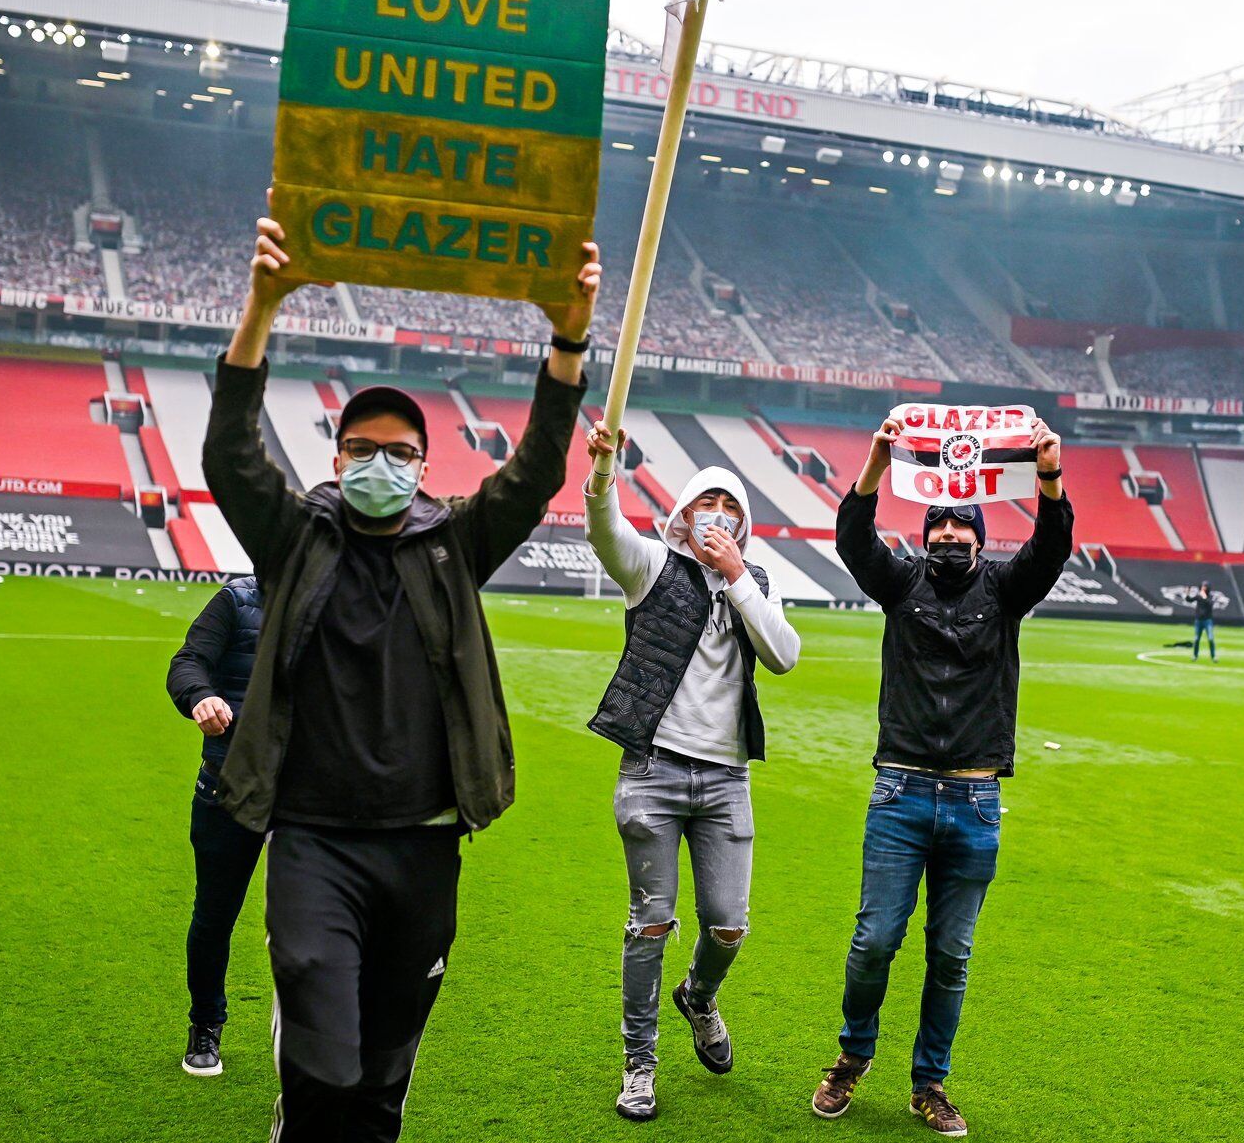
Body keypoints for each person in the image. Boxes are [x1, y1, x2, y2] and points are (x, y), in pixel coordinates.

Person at [203, 192, 600, 1141]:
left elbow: (538, 467)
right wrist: (262, 306)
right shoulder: (296, 535)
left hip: (424, 845)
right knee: (325, 1058)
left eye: (400, 451)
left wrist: (568, 342)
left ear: (425, 465)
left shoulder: (455, 544)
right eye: (362, 447)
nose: (380, 461)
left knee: (383, 1072)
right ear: (336, 456)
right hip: (312, 840)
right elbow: (228, 453)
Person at [812, 413, 1072, 1138]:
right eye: (940, 529)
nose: (951, 538)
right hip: (899, 791)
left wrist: (1048, 473)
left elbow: (1052, 547)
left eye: (963, 530)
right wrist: (873, 459)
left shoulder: (1006, 591)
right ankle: (849, 1058)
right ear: (923, 536)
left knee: (950, 956)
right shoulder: (900, 585)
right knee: (873, 941)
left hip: (974, 796)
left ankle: (929, 1083)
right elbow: (852, 539)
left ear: (982, 541)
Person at [581, 420, 801, 1122]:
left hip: (725, 779)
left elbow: (784, 654)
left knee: (728, 925)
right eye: (707, 504)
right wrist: (601, 472)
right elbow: (603, 528)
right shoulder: (649, 563)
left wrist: (737, 577)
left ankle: (699, 997)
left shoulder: (755, 579)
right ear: (682, 511)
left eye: (731, 508)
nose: (719, 517)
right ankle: (638, 1064)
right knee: (650, 922)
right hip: (652, 769)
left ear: (743, 523)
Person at [164, 575, 264, 1077]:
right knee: (215, 915)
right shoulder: (235, 600)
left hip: (307, 798)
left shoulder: (338, 601)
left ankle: (316, 1042)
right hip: (228, 788)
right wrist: (199, 695)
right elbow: (187, 661)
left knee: (311, 926)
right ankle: (205, 1026)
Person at [1189, 581, 1217, 661]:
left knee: (1211, 638)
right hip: (1199, 621)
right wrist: (1188, 593)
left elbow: (1210, 603)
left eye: (1205, 587)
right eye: (1202, 586)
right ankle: (1195, 656)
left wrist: (1204, 597)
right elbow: (1189, 600)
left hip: (1207, 621)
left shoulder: (1210, 597)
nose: (1203, 588)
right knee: (1196, 639)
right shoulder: (1198, 596)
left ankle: (1213, 656)